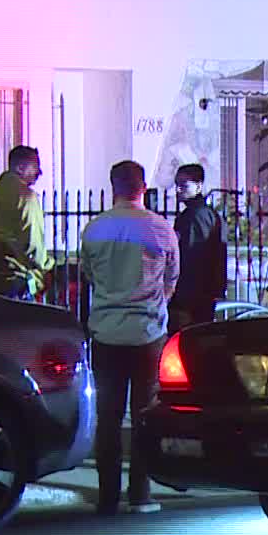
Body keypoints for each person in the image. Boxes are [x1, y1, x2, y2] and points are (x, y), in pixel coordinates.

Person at [80, 160, 179, 515]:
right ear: (143, 188)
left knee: (107, 415)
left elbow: (88, 273)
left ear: (113, 186)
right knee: (144, 414)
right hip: (148, 332)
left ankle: (107, 495)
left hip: (106, 330)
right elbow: (171, 279)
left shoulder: (94, 229)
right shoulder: (161, 229)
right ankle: (140, 493)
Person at [0, 145, 53, 301]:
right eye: (35, 167)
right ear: (20, 167)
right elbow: (33, 243)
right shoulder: (26, 197)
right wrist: (46, 265)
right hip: (18, 278)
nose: (39, 173)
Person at [168, 164, 226, 331]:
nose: (178, 190)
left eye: (184, 185)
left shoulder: (194, 216)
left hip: (191, 298)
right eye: (177, 185)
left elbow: (190, 257)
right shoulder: (205, 214)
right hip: (203, 294)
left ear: (199, 186)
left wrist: (180, 294)